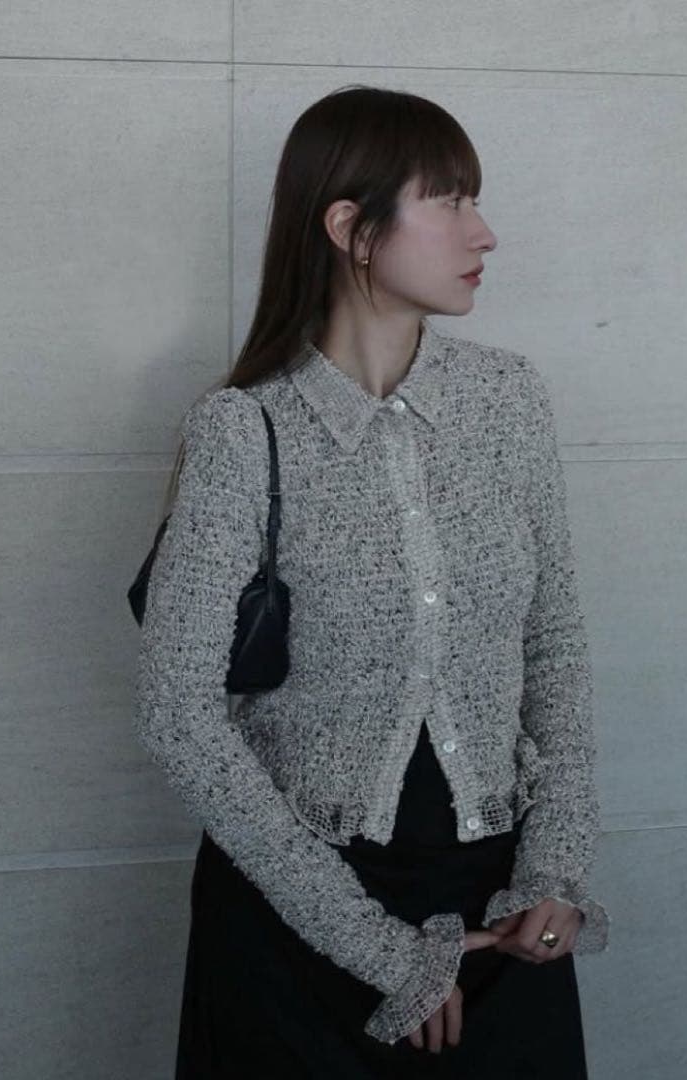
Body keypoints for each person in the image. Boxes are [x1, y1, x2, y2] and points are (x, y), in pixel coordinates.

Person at [134, 84, 610, 1078]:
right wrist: (382, 951)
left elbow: (554, 643)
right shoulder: (243, 431)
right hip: (295, 932)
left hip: (501, 909)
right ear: (351, 227)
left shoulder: (507, 400)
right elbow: (179, 714)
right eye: (449, 200)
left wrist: (554, 868)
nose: (483, 232)